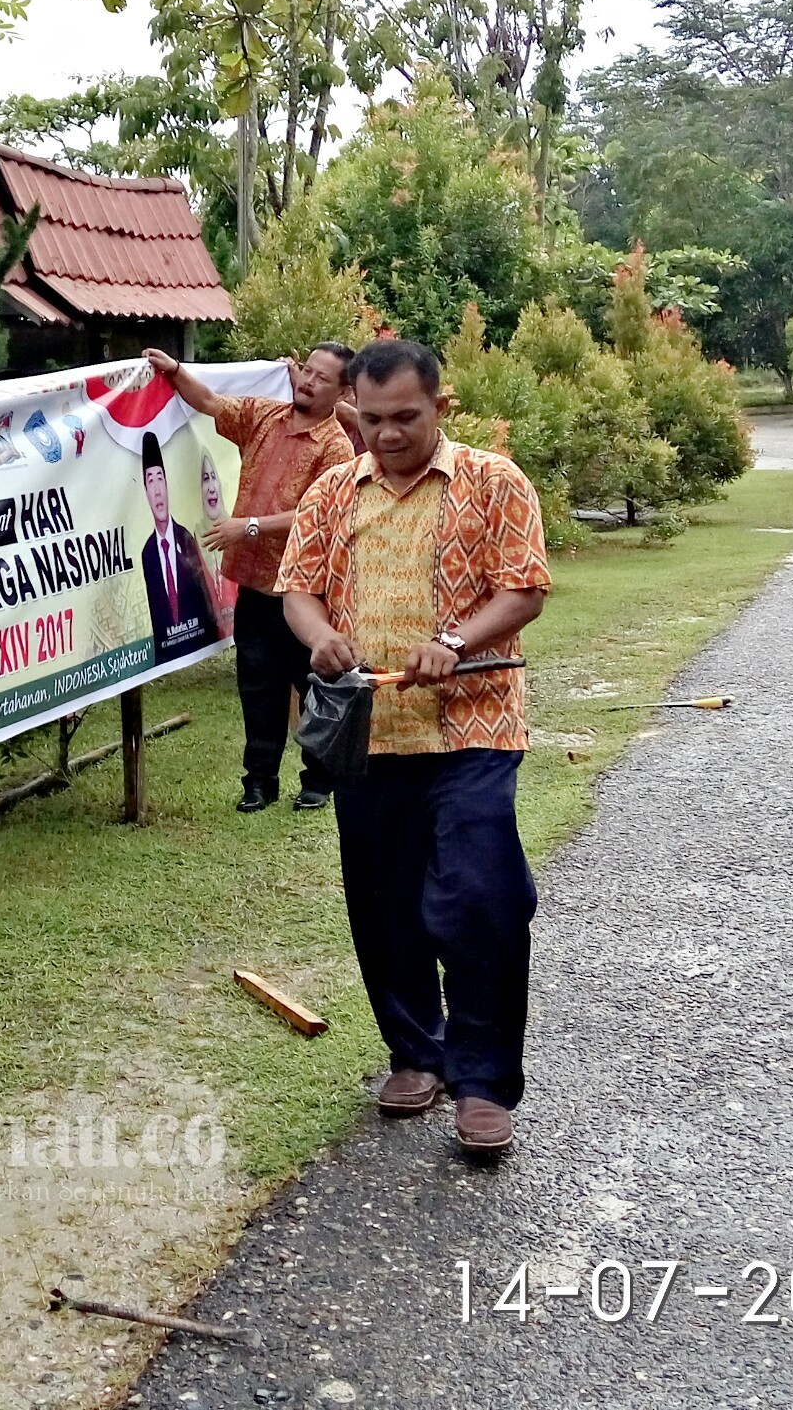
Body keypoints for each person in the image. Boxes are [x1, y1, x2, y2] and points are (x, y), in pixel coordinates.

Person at [277, 339, 552, 1158]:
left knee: (482, 897)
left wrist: (456, 641)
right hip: (371, 734)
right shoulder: (333, 491)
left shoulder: (495, 482)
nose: (388, 433)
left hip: (473, 726)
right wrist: (322, 637)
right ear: (353, 411)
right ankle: (415, 1053)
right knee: (385, 900)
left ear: (442, 405)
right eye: (372, 419)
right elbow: (298, 591)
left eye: (406, 416)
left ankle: (483, 1082)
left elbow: (524, 588)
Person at [147, 344, 357, 811]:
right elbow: (210, 402)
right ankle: (259, 782)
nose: (309, 381)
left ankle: (319, 780)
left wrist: (251, 526)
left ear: (344, 392)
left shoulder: (336, 447)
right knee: (257, 686)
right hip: (253, 585)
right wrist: (175, 369)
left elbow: (320, 512)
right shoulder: (264, 416)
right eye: (307, 371)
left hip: (303, 591)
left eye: (323, 378)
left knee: (314, 685)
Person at [138, 429, 223, 659]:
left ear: (167, 485)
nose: (157, 491)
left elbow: (205, 605)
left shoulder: (186, 539)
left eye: (160, 479)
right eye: (150, 481)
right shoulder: (147, 553)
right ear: (145, 491)